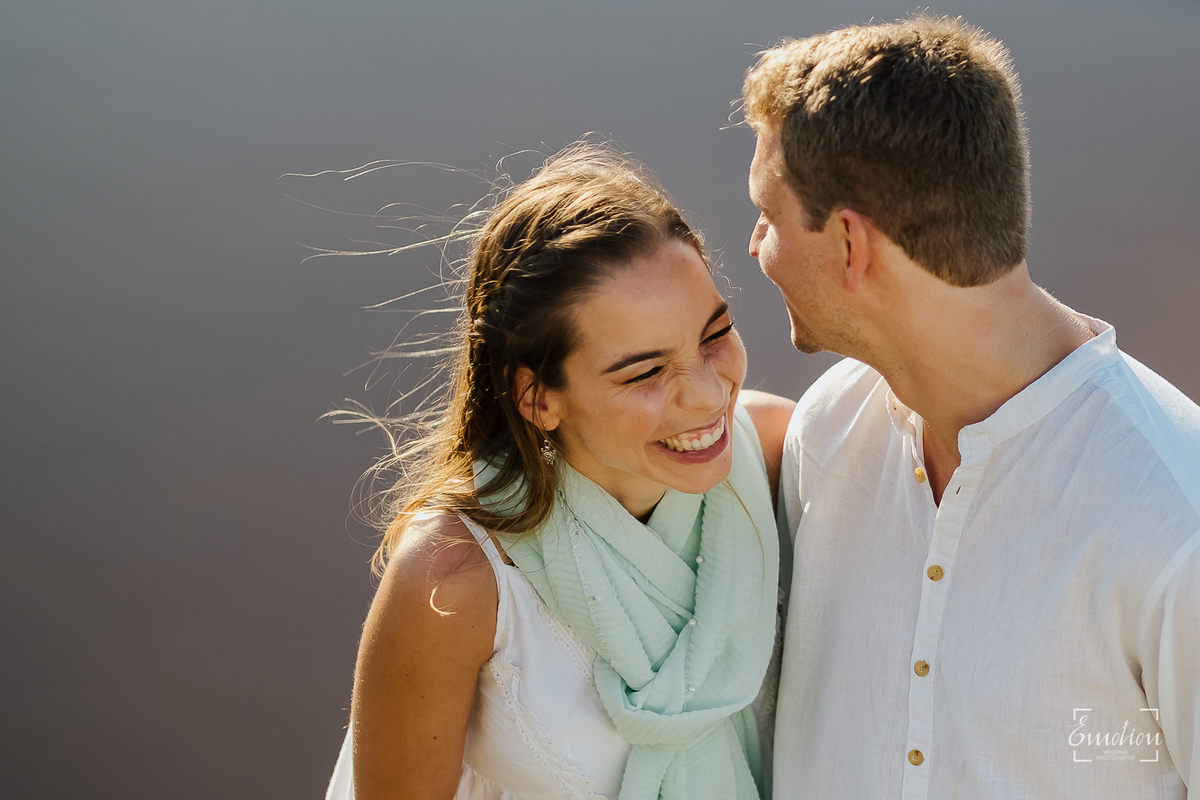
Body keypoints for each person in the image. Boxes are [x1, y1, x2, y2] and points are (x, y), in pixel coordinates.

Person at [742, 15, 1200, 799]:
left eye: (770, 215)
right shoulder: (827, 429)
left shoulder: (1174, 517)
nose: (757, 246)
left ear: (851, 245)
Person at [323, 143, 795, 800]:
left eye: (714, 333)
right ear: (538, 397)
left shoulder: (781, 457)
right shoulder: (455, 577)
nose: (710, 395)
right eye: (646, 372)